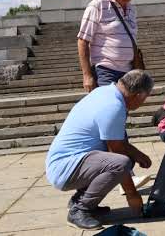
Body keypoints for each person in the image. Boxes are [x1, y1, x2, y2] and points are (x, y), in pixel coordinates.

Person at [45, 70, 155, 229]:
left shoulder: (105, 92)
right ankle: (80, 210)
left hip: (64, 163)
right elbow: (116, 153)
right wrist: (133, 195)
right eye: (145, 98)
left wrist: (138, 154)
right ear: (138, 95)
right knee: (122, 163)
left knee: (127, 159)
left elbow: (118, 143)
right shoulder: (113, 106)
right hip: (65, 168)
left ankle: (79, 200)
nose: (143, 102)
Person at [78, 0, 143, 92]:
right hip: (105, 71)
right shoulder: (98, 5)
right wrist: (87, 75)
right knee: (109, 107)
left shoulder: (132, 9)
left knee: (122, 109)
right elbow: (83, 40)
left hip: (128, 72)